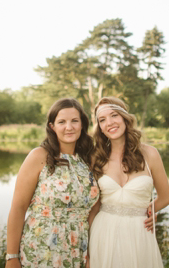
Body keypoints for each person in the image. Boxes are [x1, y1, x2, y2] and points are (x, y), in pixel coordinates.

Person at [5, 98, 99, 268]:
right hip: (41, 248)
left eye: (74, 121)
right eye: (61, 122)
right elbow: (18, 208)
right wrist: (11, 257)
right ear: (52, 126)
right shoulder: (39, 156)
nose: (69, 127)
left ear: (82, 124)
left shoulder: (89, 160)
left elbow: (95, 209)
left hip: (79, 250)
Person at [88, 97, 169, 268]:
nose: (109, 122)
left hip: (139, 233)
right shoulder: (96, 158)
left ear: (125, 118)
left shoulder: (150, 155)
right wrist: (86, 250)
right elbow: (94, 207)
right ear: (100, 128)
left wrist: (148, 211)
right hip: (103, 233)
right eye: (102, 120)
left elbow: (165, 197)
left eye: (114, 115)